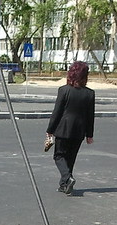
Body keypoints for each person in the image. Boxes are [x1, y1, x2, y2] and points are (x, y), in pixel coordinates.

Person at [46, 61, 95, 195]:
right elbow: (90, 115)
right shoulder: (90, 93)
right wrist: (89, 134)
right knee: (71, 158)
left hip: (63, 128)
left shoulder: (64, 90)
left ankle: (67, 178)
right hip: (79, 130)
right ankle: (65, 185)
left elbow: (57, 112)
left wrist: (50, 130)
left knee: (59, 156)